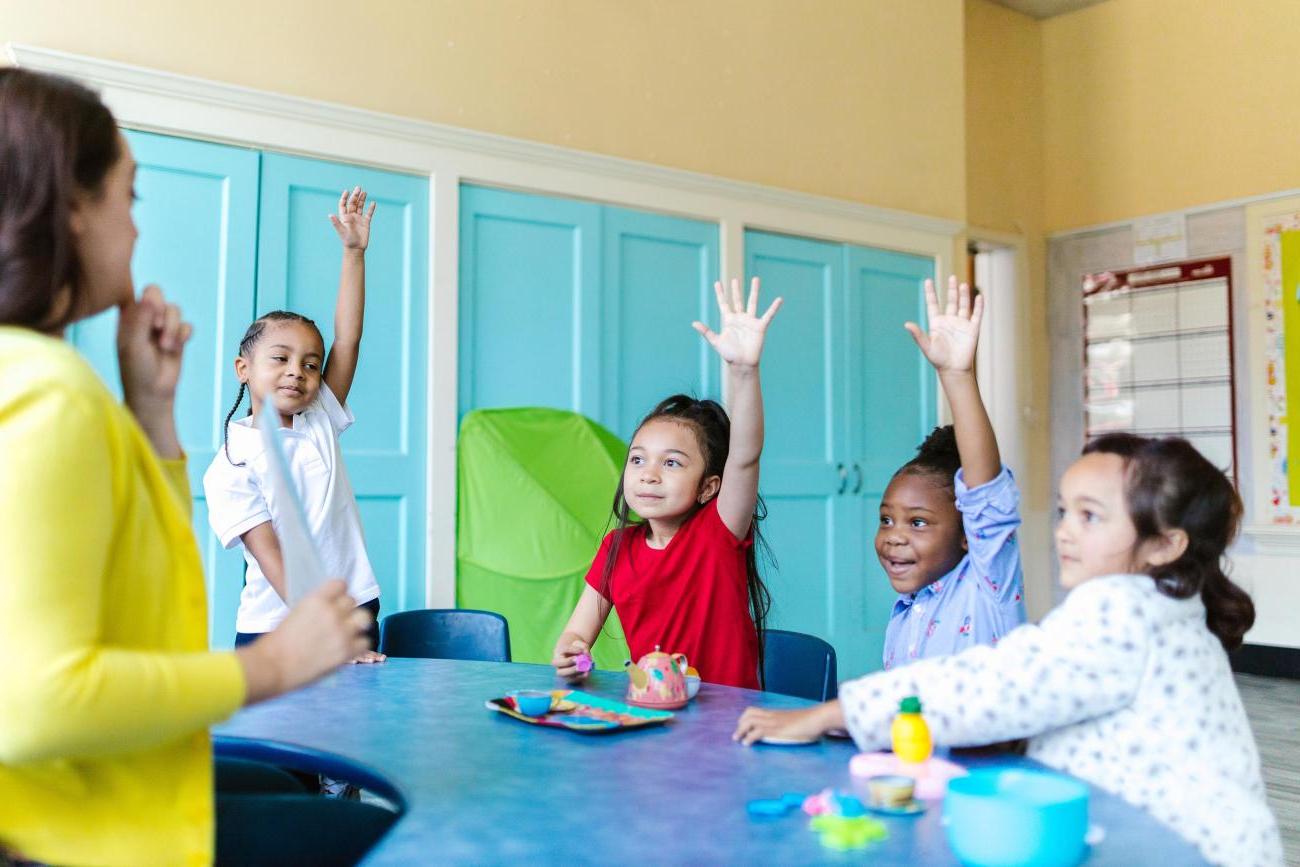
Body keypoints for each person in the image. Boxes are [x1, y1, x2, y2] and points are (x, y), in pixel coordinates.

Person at [0, 68, 382, 866]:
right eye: (128, 198)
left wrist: (152, 413)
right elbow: (31, 704)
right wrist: (274, 661)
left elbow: (142, 587)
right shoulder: (48, 396)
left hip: (113, 793)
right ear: (71, 206)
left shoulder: (40, 383)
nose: (137, 230)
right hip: (89, 832)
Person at [734, 434, 1283, 867]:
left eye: (1090, 516)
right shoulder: (1159, 606)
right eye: (1065, 512)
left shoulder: (1126, 610)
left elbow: (996, 683)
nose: (1065, 532)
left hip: (1184, 850)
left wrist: (835, 712)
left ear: (1165, 545)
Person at [552, 278, 781, 688]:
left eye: (672, 463)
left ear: (709, 487)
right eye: (638, 459)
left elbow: (744, 457)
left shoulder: (718, 532)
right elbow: (575, 634)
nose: (649, 474)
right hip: (653, 717)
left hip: (726, 723)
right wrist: (570, 652)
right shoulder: (616, 548)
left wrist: (745, 373)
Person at [877, 276, 1025, 669]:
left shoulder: (987, 586)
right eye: (887, 520)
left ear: (967, 535)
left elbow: (985, 494)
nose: (894, 537)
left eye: (918, 523)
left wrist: (957, 377)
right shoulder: (907, 610)